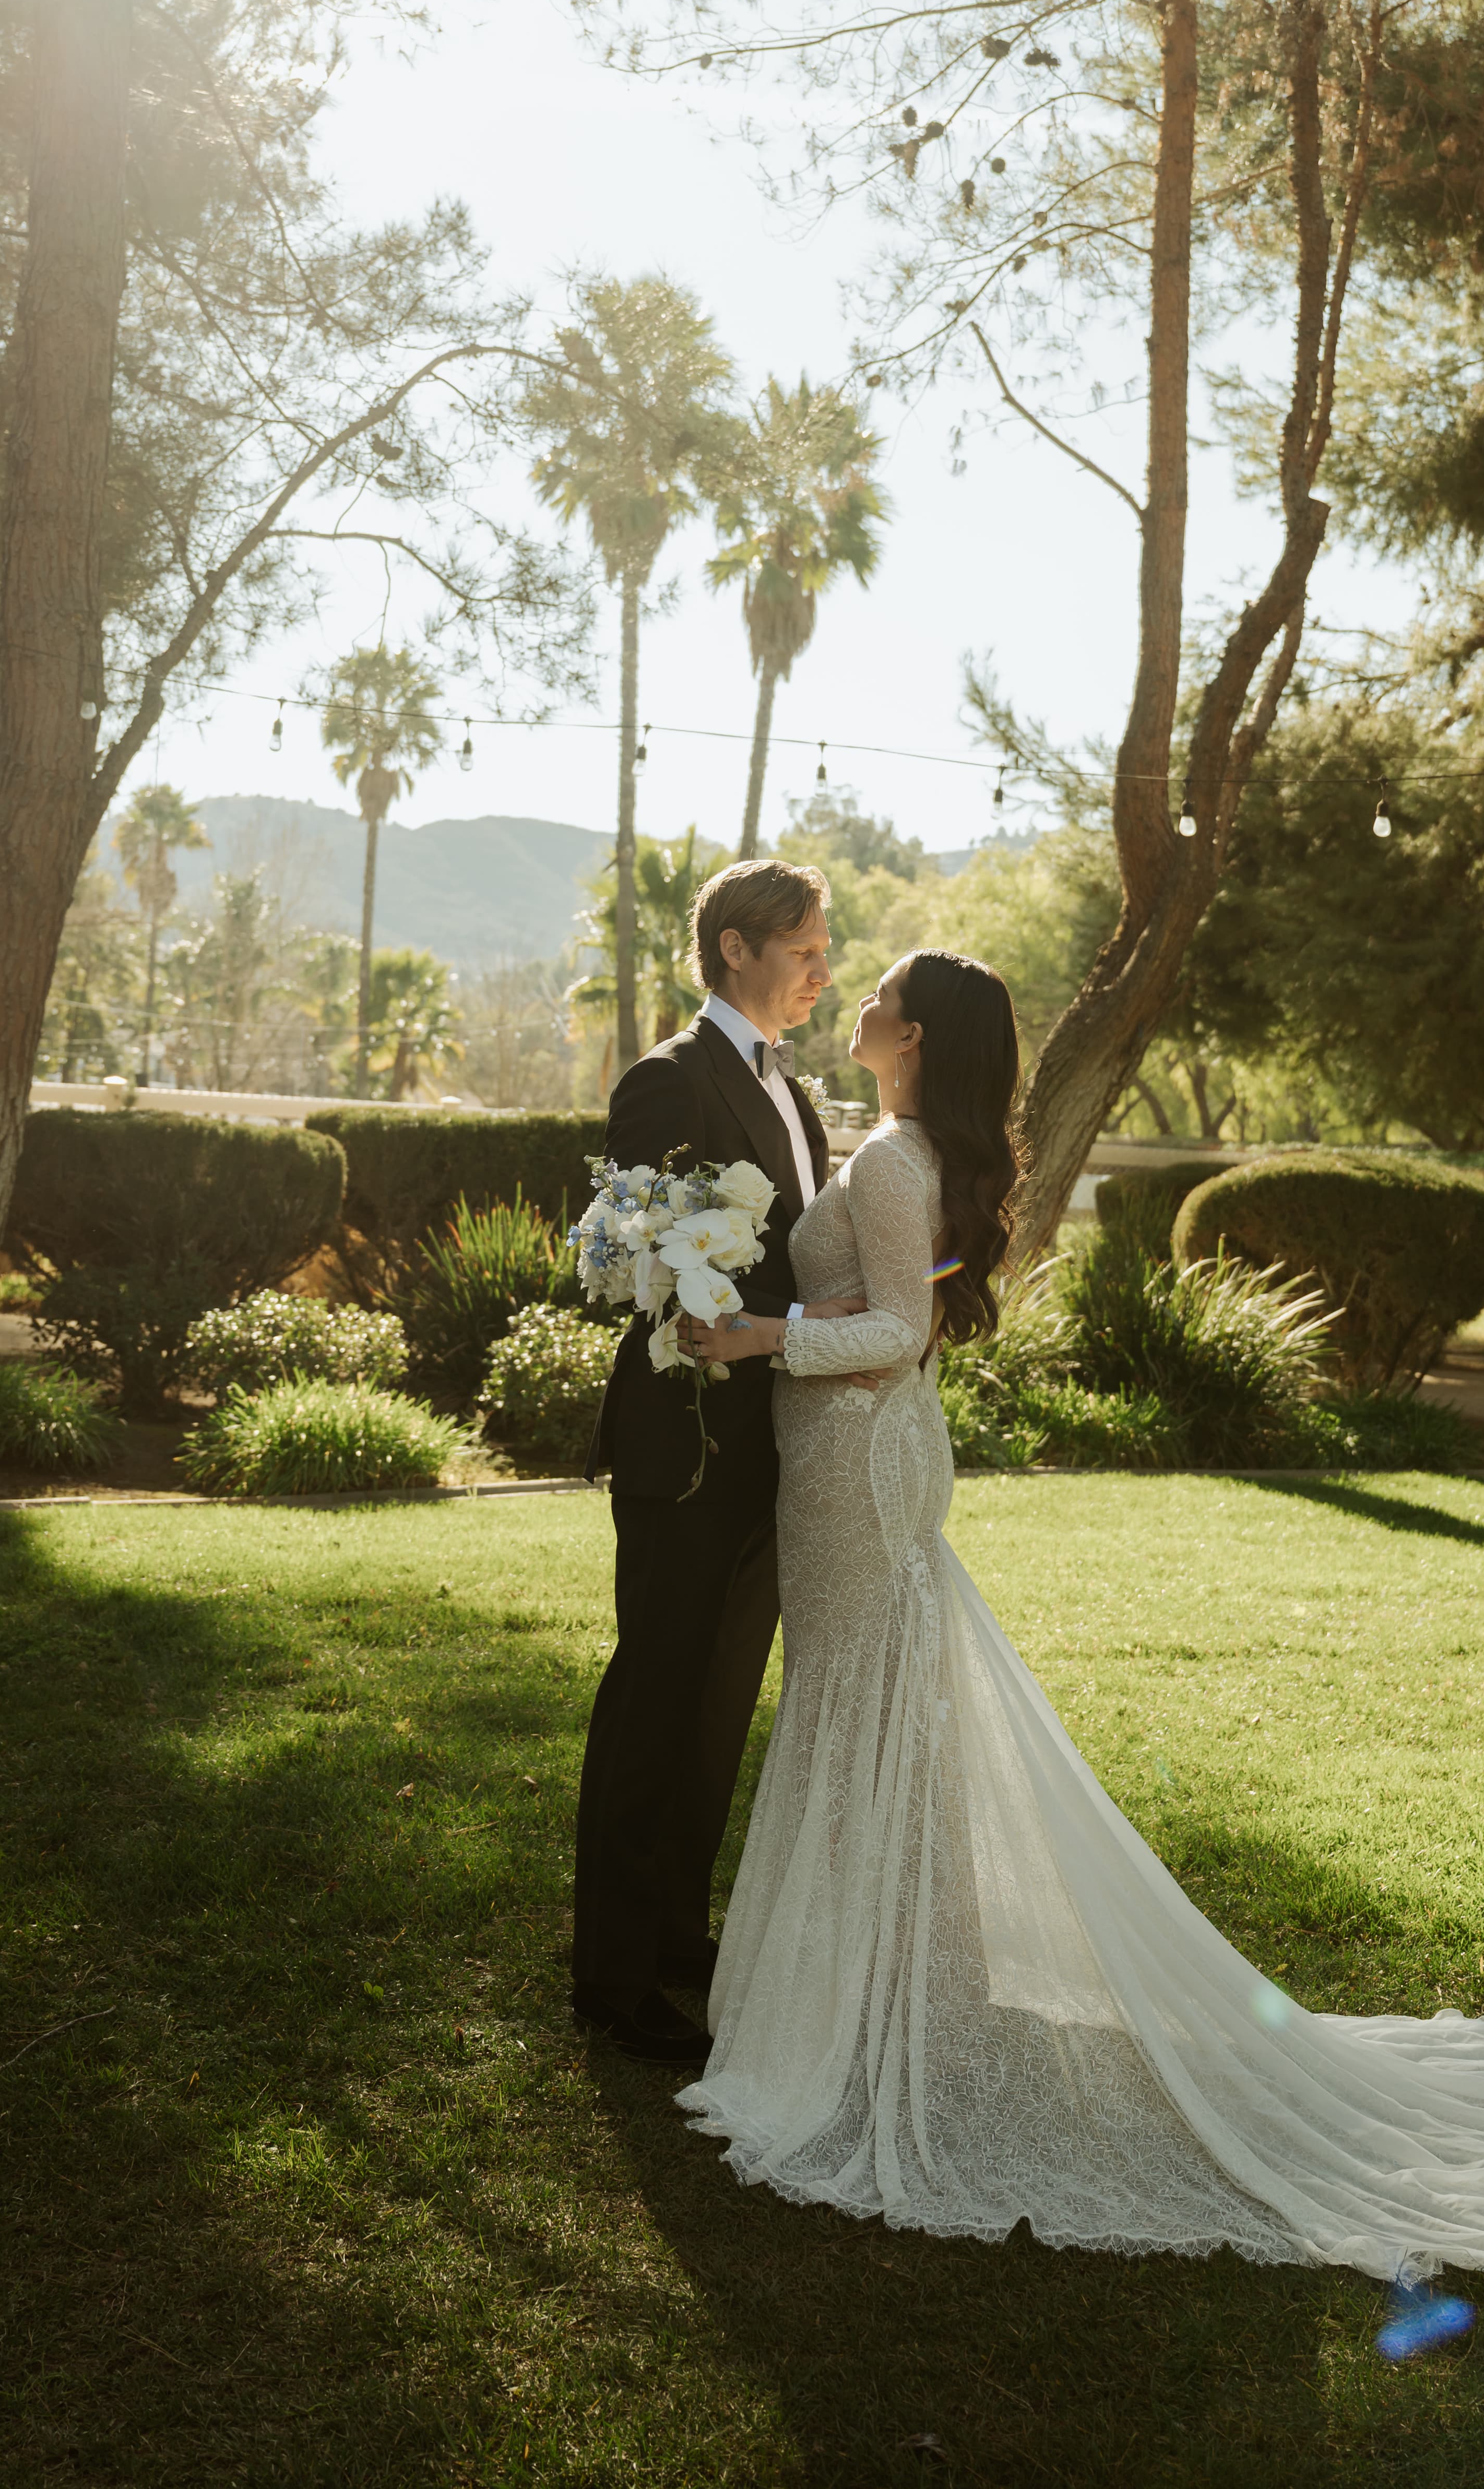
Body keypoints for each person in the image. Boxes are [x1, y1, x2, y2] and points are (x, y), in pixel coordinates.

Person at [676, 947, 1484, 2275]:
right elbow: (885, 1308)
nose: (857, 998)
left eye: (881, 993)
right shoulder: (899, 1154)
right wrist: (805, 1312)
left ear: (915, 1035)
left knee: (861, 1710)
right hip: (852, 1463)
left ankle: (876, 2014)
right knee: (871, 1716)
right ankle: (890, 1989)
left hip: (857, 1464)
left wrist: (760, 1338)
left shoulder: (897, 1162)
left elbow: (900, 1336)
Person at [572, 856, 858, 2066]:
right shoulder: (668, 1079)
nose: (820, 973)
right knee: (657, 1697)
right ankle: (615, 1976)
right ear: (735, 949)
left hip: (773, 1450)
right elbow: (631, 1259)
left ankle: (681, 1939)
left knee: (718, 1708)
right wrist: (699, 1291)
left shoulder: (797, 1095)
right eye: (803, 951)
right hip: (686, 1445)